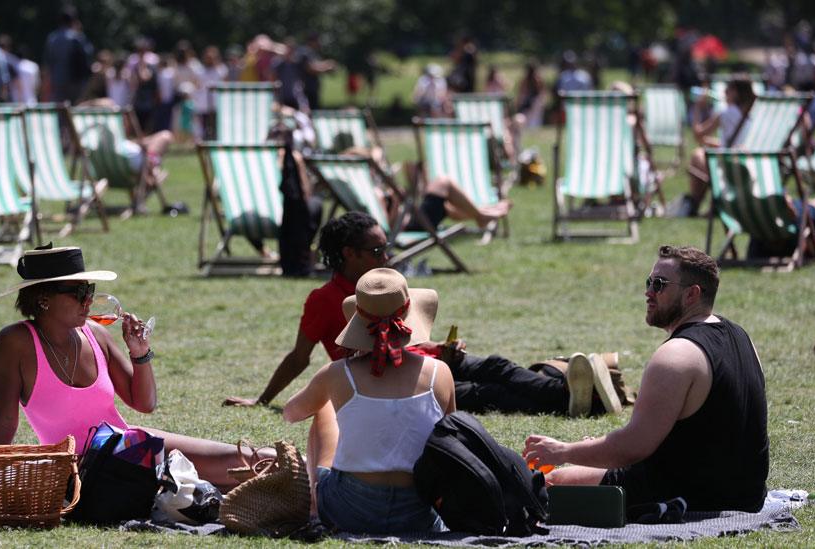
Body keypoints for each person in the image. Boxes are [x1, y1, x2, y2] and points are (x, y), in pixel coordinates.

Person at [224, 212, 622, 418]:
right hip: (398, 378)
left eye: (387, 248)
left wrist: (437, 347)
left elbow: (409, 333)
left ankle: (574, 391)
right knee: (488, 396)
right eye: (378, 251)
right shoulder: (325, 300)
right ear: (350, 255)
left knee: (498, 366)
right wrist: (261, 401)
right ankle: (583, 394)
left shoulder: (387, 281)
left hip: (429, 358)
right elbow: (299, 358)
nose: (388, 257)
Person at [0, 244, 265, 489]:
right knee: (226, 480)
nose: (88, 300)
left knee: (243, 461)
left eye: (90, 290)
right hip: (82, 469)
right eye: (78, 292)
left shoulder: (95, 334)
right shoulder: (14, 343)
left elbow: (144, 403)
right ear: (43, 299)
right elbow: (5, 423)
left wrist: (140, 353)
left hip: (128, 448)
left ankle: (307, 470)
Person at [525, 245, 769, 513]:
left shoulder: (676, 355)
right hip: (747, 495)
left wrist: (562, 451)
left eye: (659, 284)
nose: (648, 292)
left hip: (693, 496)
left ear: (692, 294)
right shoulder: (740, 335)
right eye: (649, 282)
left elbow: (633, 447)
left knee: (550, 483)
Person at [282, 268, 456, 534]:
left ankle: (314, 510)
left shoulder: (338, 374)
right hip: (417, 511)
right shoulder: (439, 373)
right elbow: (452, 441)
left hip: (348, 510)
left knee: (325, 407)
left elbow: (292, 413)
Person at [678, 77, 756, 217]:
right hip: (748, 164)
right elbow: (736, 142)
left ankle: (694, 204)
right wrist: (713, 142)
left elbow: (697, 134)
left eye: (728, 90)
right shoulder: (751, 115)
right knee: (703, 153)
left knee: (697, 155)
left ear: (736, 93)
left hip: (729, 166)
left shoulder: (726, 113)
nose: (725, 92)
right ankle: (709, 206)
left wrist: (698, 107)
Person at [42, 6, 93, 103]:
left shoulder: (52, 38)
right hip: (76, 82)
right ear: (74, 20)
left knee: (61, 111)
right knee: (75, 110)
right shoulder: (77, 37)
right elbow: (89, 53)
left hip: (57, 81)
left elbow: (47, 64)